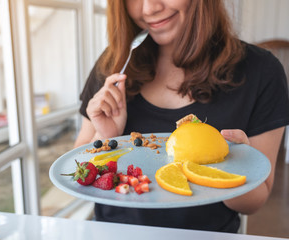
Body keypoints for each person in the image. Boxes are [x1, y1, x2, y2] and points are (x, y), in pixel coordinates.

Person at [74, 0, 289, 233]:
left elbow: (254, 203)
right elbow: (79, 174)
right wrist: (106, 137)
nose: (149, 9)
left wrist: (236, 162)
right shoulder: (114, 64)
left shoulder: (261, 71)